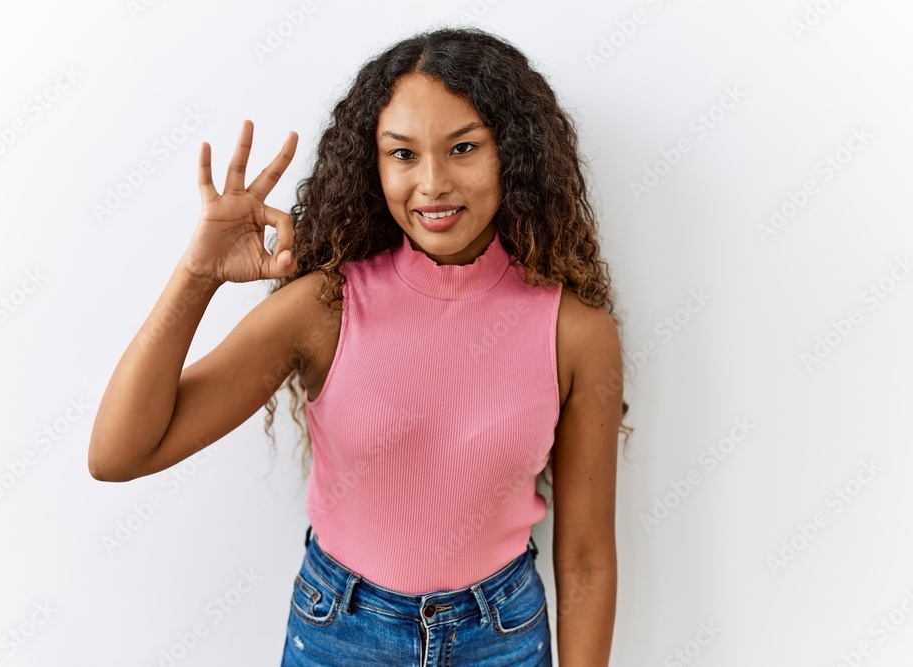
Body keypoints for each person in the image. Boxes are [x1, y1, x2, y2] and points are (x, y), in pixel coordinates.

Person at [88, 26, 630, 667]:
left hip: (502, 637)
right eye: (403, 153)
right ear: (374, 164)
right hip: (340, 634)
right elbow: (119, 454)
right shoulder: (325, 308)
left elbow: (587, 558)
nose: (432, 183)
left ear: (511, 152)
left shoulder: (576, 332)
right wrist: (197, 275)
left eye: (463, 147)